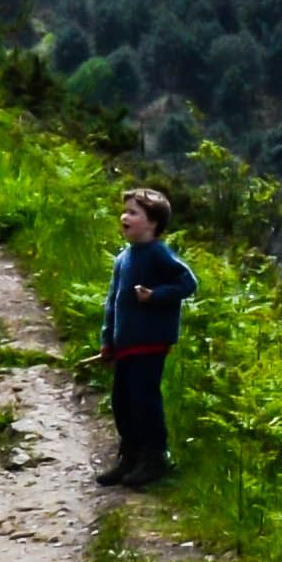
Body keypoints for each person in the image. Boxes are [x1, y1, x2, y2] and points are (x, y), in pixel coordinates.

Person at [96, 186, 196, 487]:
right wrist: (107, 340)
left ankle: (154, 458)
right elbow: (113, 301)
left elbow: (187, 282)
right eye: (124, 211)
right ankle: (129, 457)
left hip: (150, 342)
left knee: (144, 400)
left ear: (152, 223)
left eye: (133, 213)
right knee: (122, 402)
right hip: (125, 344)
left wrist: (156, 296)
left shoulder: (158, 254)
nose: (125, 217)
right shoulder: (123, 259)